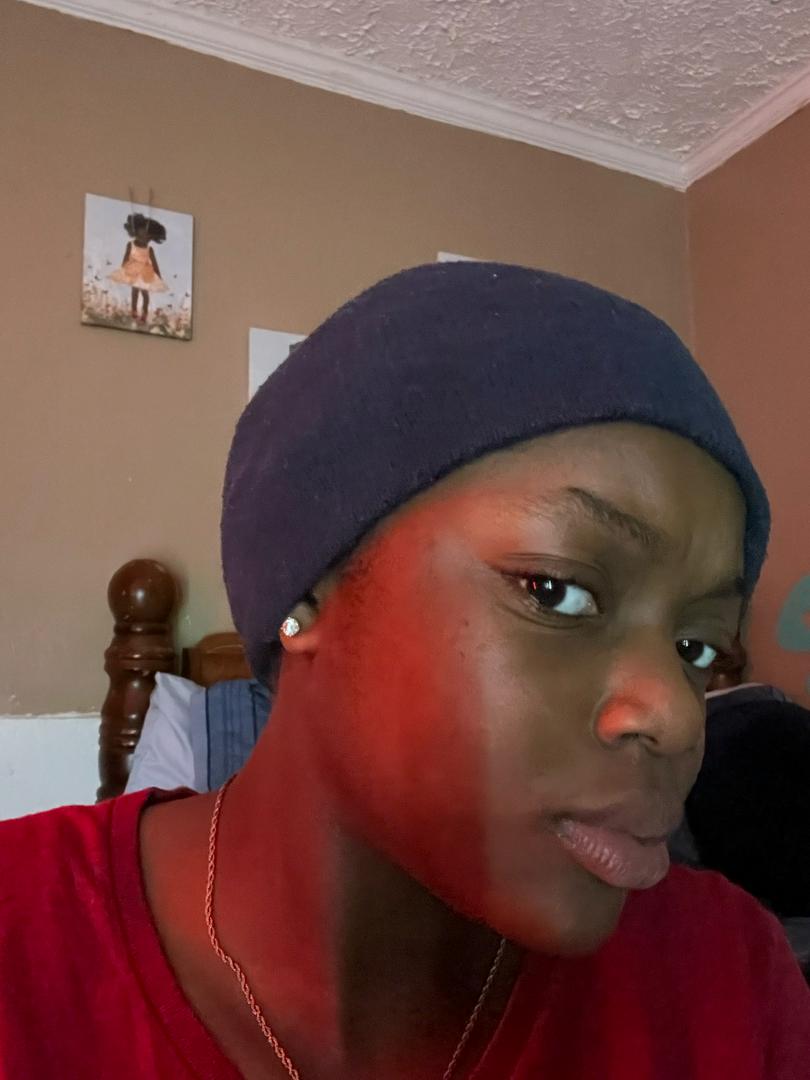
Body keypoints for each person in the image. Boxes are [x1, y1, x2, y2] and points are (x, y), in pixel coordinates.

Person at [1, 262, 809, 1079]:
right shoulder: (24, 941)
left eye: (699, 649)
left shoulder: (729, 977)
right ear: (305, 590)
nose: (676, 714)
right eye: (557, 592)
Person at [109, 211, 169, 324]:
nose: (145, 236)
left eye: (148, 235)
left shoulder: (149, 249)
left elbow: (155, 263)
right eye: (142, 232)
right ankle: (134, 310)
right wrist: (123, 269)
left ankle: (144, 313)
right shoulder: (130, 245)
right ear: (135, 231)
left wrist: (158, 275)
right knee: (134, 291)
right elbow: (126, 257)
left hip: (145, 273)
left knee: (145, 293)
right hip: (133, 271)